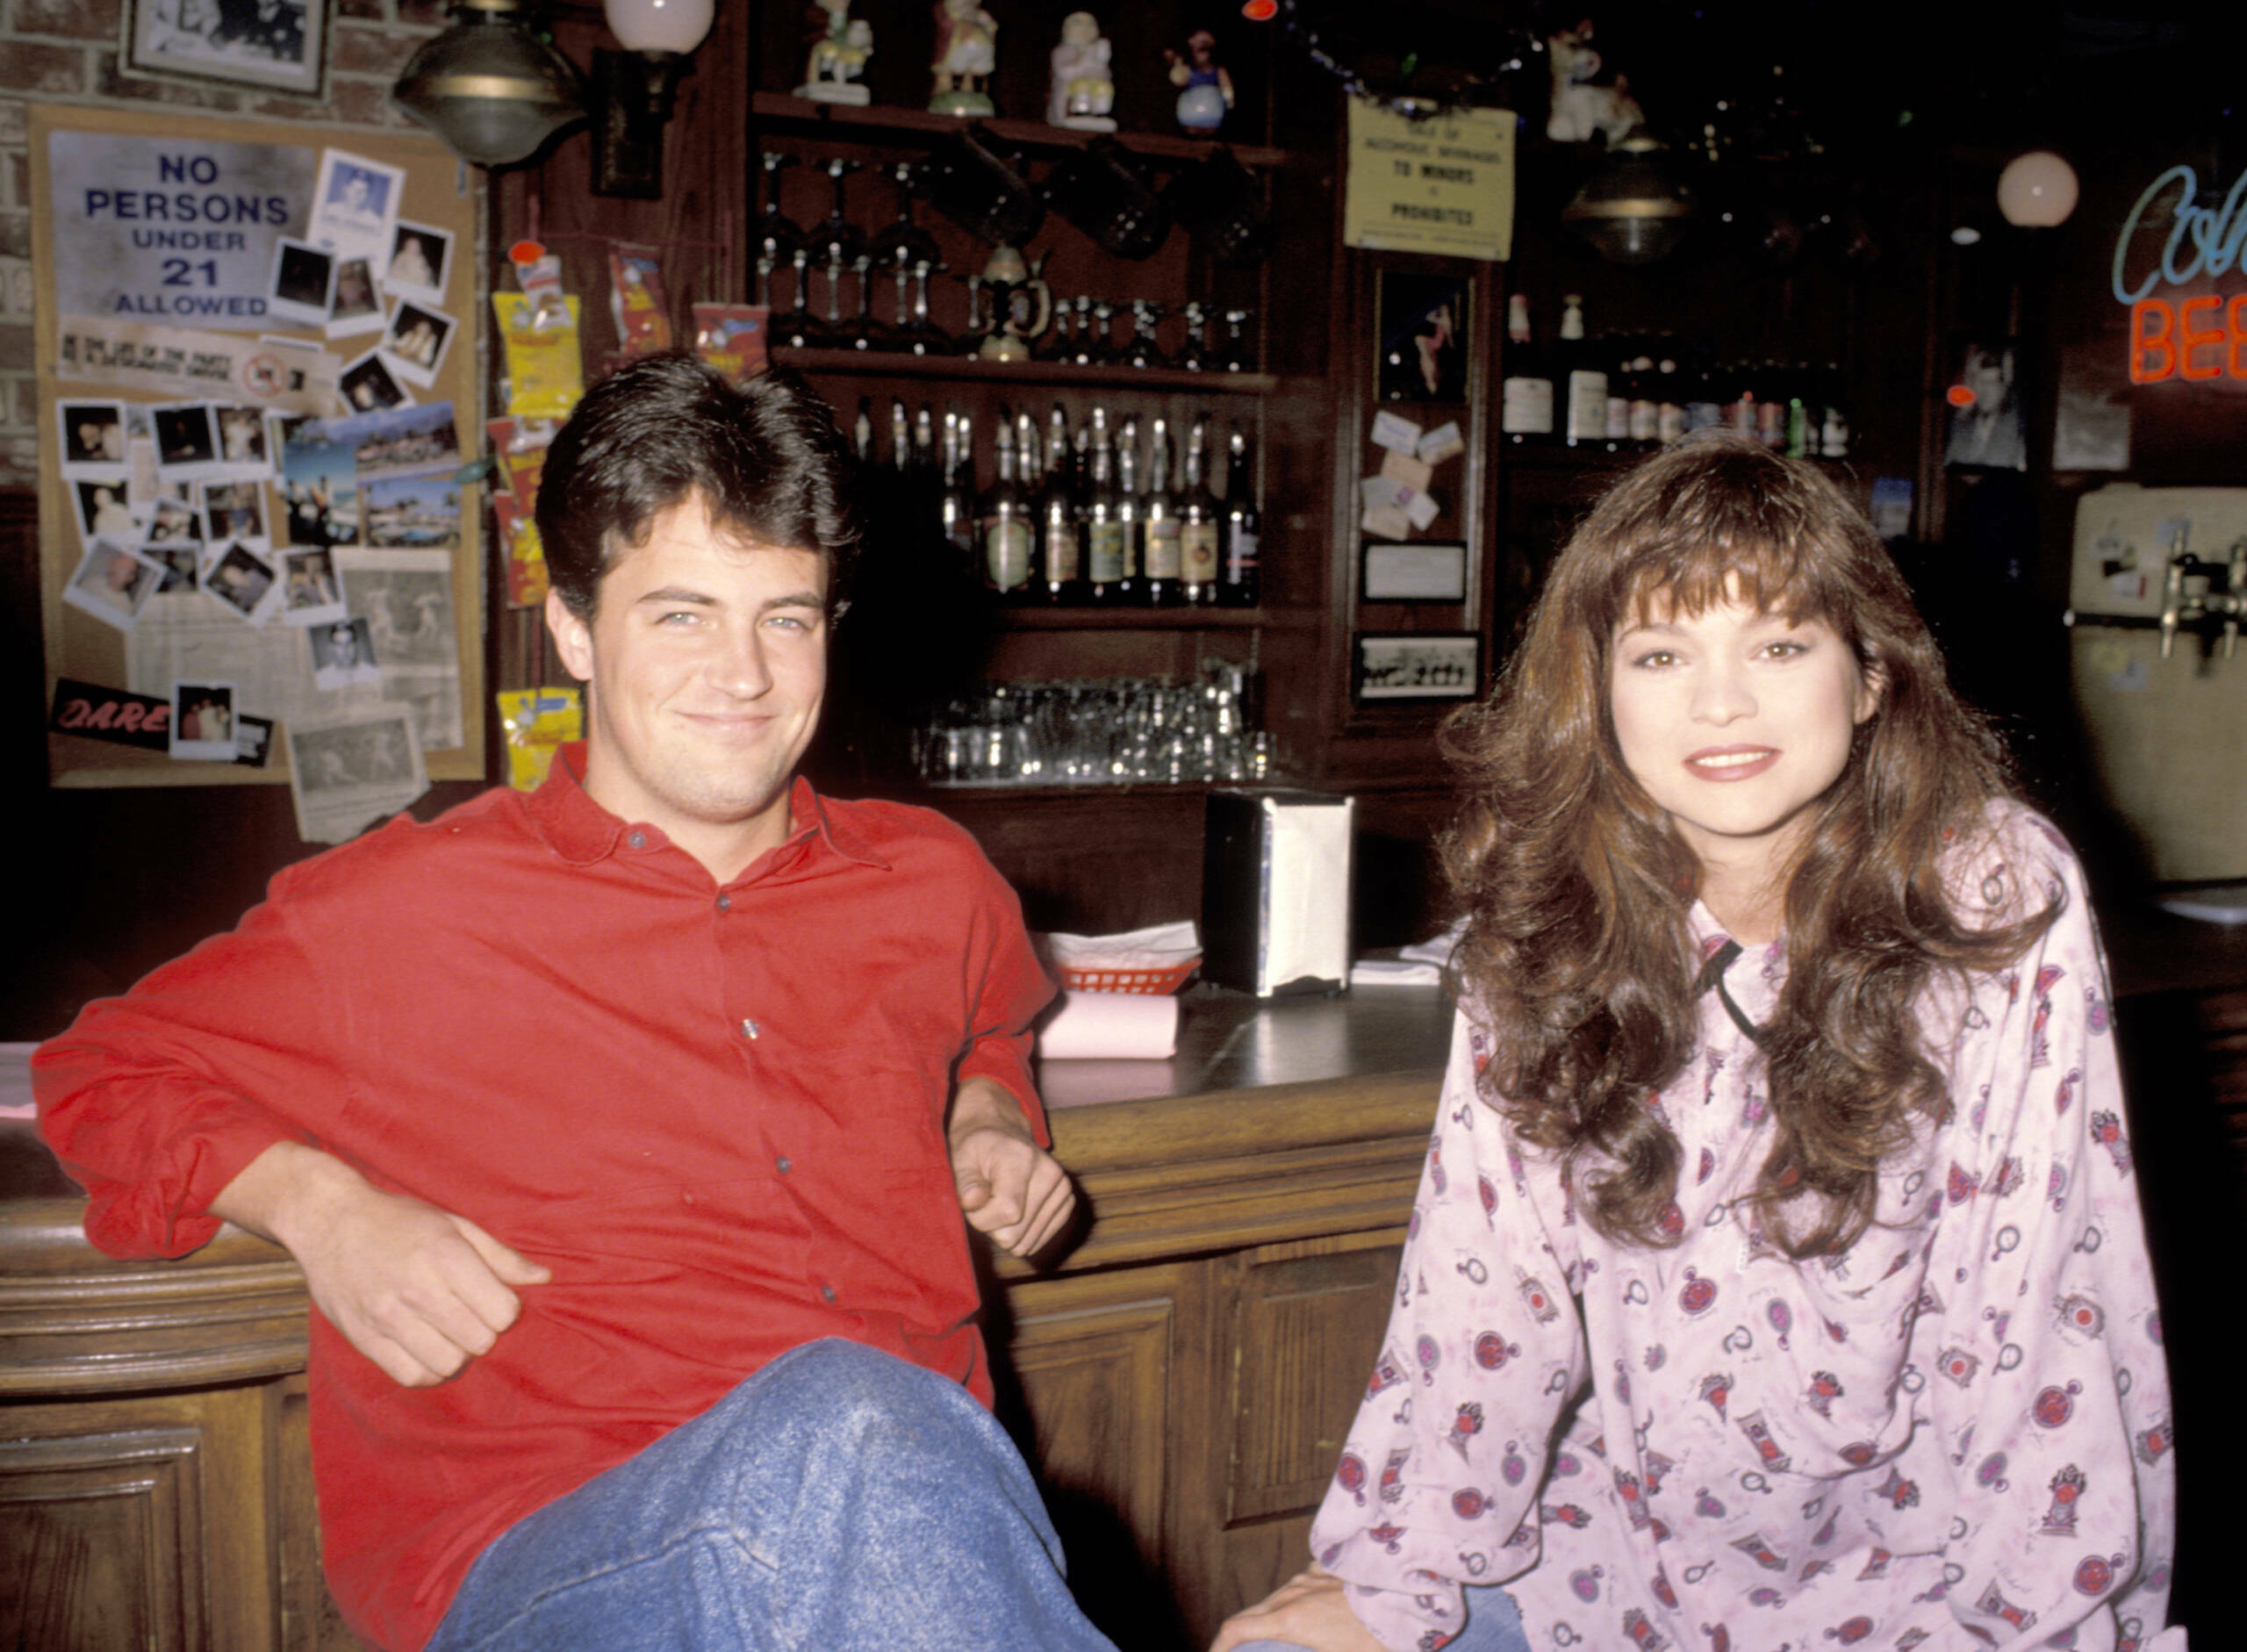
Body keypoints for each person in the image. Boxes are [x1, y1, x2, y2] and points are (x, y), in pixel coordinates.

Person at [36, 353, 1114, 1652]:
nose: (746, 674)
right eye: (679, 615)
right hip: (554, 1558)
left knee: (866, 1436)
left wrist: (987, 1117)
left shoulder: (934, 879)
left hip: (911, 1534)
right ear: (572, 631)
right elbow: (99, 1072)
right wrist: (322, 1208)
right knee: (853, 1425)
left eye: (785, 615)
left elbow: (987, 1018)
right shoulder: (402, 905)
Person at [1213, 435, 2178, 1652]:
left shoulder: (1985, 890)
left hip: (1915, 1594)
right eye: (1663, 654)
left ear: (1872, 674)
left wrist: (2037, 1631)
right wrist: (1391, 1571)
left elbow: (2041, 1312)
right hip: (1606, 1570)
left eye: (1779, 645)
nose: (1721, 703)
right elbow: (1479, 1286)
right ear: (1600, 692)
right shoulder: (1545, 918)